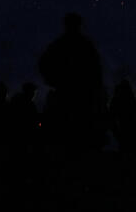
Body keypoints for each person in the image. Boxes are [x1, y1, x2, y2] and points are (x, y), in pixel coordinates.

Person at [38, 12, 106, 150]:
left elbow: (43, 64)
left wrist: (53, 80)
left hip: (69, 93)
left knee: (64, 132)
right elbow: (96, 70)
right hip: (81, 95)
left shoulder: (59, 45)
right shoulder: (85, 45)